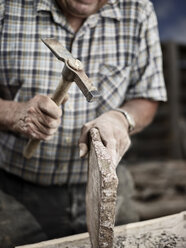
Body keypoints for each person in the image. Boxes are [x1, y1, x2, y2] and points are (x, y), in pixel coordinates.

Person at [0, 0, 167, 247]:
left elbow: (148, 95)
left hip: (109, 188)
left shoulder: (137, 9)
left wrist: (120, 118)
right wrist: (13, 113)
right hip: (14, 193)